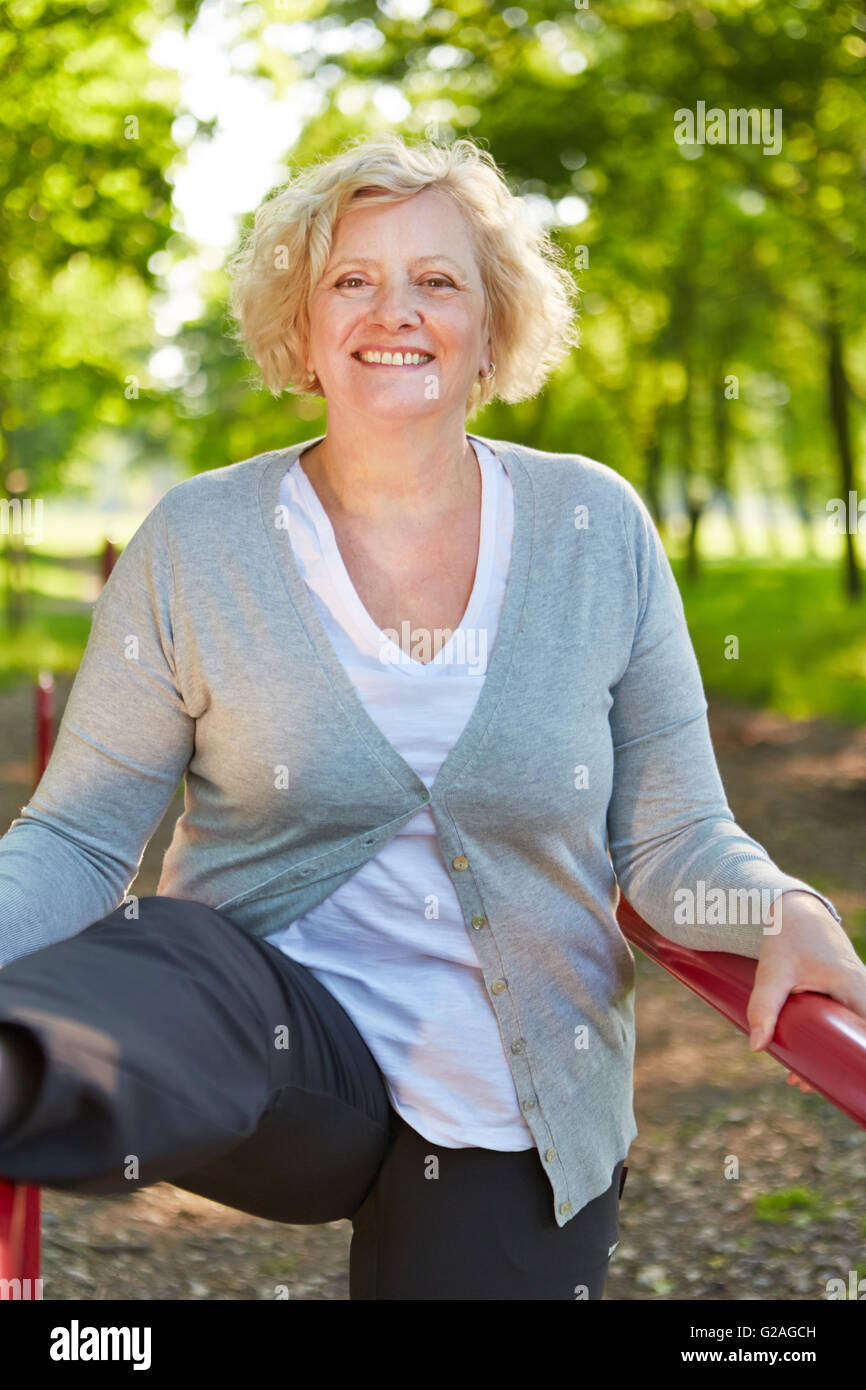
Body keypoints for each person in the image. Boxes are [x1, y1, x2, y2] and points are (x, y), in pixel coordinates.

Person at [0, 134, 862, 1301]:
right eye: (350, 279)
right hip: (280, 1057)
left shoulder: (592, 527)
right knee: (179, 952)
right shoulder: (197, 541)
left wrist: (781, 907)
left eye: (436, 280)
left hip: (514, 1102)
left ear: (492, 330)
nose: (390, 310)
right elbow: (82, 838)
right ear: (302, 328)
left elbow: (669, 837)